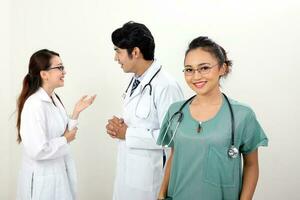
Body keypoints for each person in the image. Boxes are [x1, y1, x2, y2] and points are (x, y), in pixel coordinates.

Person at [157, 36, 268, 200]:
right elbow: (174, 154)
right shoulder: (175, 111)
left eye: (204, 68)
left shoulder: (242, 115)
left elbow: (251, 165)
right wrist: (161, 194)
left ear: (222, 68)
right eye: (189, 69)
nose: (196, 76)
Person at [105, 21, 184, 200]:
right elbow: (142, 121)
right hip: (128, 174)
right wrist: (120, 127)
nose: (115, 58)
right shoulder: (136, 79)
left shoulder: (166, 86)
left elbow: (174, 137)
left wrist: (128, 133)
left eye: (118, 51)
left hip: (151, 181)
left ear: (135, 52)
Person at [16, 49, 96, 200]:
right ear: (44, 74)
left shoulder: (53, 98)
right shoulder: (34, 104)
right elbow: (37, 150)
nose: (64, 71)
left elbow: (64, 132)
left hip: (57, 176)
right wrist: (65, 140)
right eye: (59, 67)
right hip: (42, 182)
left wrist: (76, 112)